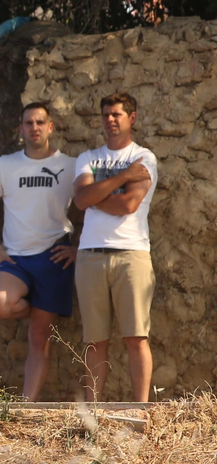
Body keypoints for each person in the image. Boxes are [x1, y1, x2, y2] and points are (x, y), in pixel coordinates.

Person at [0, 102, 78, 401]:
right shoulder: (4, 166)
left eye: (40, 122)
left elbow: (93, 208)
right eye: (28, 123)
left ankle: (25, 404)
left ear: (50, 127)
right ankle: (43, 307)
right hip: (14, 258)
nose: (34, 128)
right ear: (21, 129)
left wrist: (78, 249)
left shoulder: (70, 166)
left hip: (54, 256)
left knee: (39, 337)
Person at [72, 93, 158, 402]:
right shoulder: (88, 158)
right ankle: (92, 410)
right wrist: (122, 176)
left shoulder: (144, 157)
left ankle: (140, 408)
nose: (110, 119)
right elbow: (81, 200)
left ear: (131, 118)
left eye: (117, 114)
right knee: (95, 342)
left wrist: (97, 196)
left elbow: (129, 204)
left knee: (136, 337)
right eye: (106, 114)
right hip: (90, 256)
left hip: (131, 254)